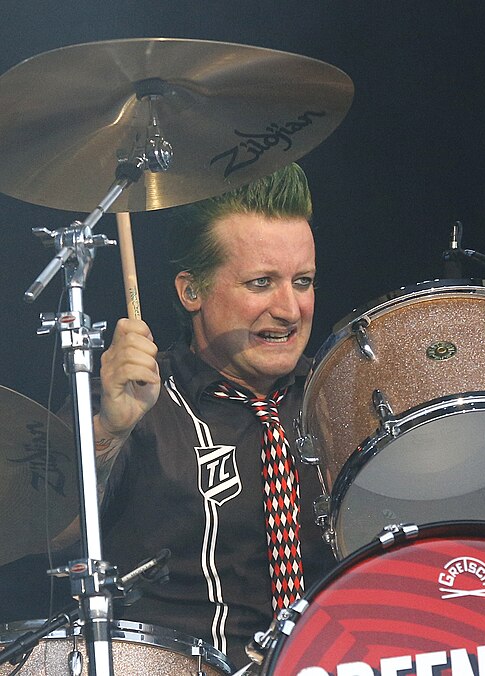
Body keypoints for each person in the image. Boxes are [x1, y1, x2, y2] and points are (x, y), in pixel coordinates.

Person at [92, 162, 334, 668]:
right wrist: (107, 432)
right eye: (261, 282)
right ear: (191, 291)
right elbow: (46, 529)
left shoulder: (342, 396)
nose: (290, 309)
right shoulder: (138, 397)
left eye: (304, 281)